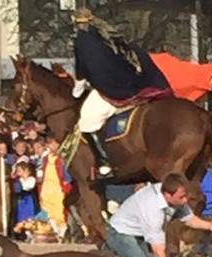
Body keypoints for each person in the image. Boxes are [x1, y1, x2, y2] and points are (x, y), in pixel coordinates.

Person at [72, 7, 173, 179]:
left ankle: (104, 164)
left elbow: (82, 70)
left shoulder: (82, 42)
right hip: (132, 80)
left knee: (87, 120)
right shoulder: (105, 35)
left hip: (111, 87)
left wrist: (77, 90)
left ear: (75, 23)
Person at [107, 172, 212, 257]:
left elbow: (189, 219)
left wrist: (211, 225)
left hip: (139, 233)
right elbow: (159, 250)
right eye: (181, 197)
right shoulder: (153, 210)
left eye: (185, 195)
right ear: (167, 195)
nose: (185, 200)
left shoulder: (174, 195)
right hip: (120, 233)